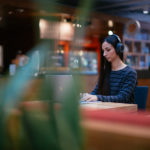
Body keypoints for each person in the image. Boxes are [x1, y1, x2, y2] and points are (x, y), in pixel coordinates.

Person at [81, 34, 137, 103]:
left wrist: (97, 97)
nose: (104, 54)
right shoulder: (106, 71)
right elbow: (96, 92)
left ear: (118, 49)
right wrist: (87, 96)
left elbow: (122, 98)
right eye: (103, 51)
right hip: (108, 110)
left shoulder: (130, 73)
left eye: (108, 50)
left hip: (124, 112)